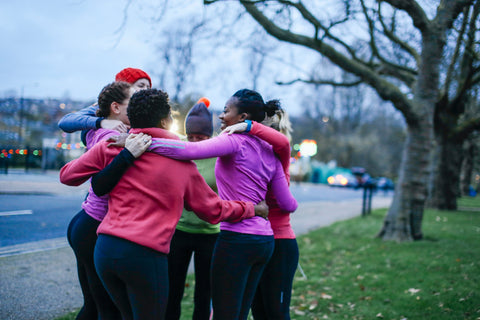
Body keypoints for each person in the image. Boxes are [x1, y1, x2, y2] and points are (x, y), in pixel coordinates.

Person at [59, 88, 268, 320]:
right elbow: (213, 210)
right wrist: (252, 208)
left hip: (106, 251)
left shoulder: (114, 145)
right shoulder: (181, 163)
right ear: (165, 120)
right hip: (145, 256)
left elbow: (67, 175)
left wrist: (118, 153)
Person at [136, 88, 298, 319]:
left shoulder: (232, 142)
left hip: (236, 241)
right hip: (264, 242)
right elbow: (288, 204)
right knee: (242, 314)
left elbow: (188, 150)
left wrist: (144, 143)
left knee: (224, 314)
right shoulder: (270, 152)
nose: (221, 116)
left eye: (225, 111)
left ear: (242, 118)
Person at [65, 81, 149, 320]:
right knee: (107, 309)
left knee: (95, 306)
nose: (135, 109)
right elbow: (99, 183)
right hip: (92, 227)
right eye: (131, 104)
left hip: (85, 222)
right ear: (115, 107)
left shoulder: (102, 130)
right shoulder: (112, 137)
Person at [223, 108, 298, 319]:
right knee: (258, 312)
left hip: (280, 242)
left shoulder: (279, 158)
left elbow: (287, 204)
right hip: (257, 241)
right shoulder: (248, 156)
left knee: (276, 313)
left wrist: (248, 126)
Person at [165, 98, 219, 320]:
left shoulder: (220, 151)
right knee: (173, 291)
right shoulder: (179, 144)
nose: (195, 143)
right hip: (179, 231)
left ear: (210, 136)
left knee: (204, 294)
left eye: (201, 137)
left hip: (210, 234)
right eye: (191, 137)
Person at [58, 67, 152, 140]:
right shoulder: (102, 108)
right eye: (141, 85)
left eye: (148, 87)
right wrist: (102, 123)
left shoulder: (147, 112)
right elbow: (65, 122)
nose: (146, 90)